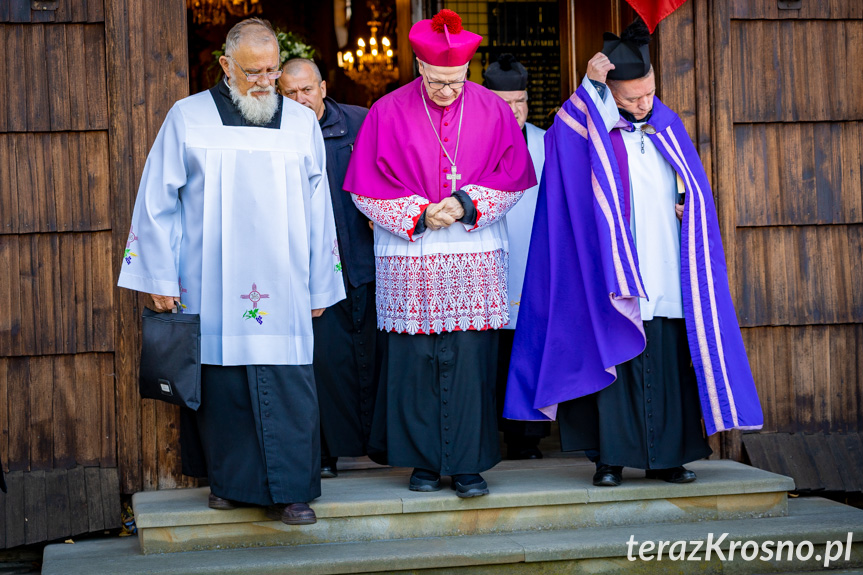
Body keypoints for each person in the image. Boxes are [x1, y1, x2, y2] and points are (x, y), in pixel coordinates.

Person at [504, 18, 762, 487]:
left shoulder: (667, 123)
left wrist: (689, 202)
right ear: (612, 94)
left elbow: (693, 186)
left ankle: (668, 457)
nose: (644, 105)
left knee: (666, 357)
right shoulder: (591, 124)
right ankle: (610, 460)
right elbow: (566, 144)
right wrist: (590, 87)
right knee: (615, 356)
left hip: (663, 265)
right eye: (631, 99)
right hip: (616, 270)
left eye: (649, 94)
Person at [117, 18, 345, 524]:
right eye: (252, 72)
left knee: (290, 387)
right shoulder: (188, 117)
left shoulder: (301, 123)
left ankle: (293, 492)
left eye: (271, 70)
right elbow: (157, 200)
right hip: (210, 282)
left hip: (284, 285)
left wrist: (321, 280)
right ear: (225, 66)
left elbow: (319, 207)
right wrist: (157, 278)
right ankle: (230, 485)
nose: (265, 81)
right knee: (222, 387)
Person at [343, 9, 536, 498]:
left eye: (455, 81)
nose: (447, 91)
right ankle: (423, 465)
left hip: (473, 254)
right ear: (420, 68)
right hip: (411, 261)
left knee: (470, 363)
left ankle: (468, 465)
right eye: (438, 81)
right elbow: (364, 189)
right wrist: (419, 214)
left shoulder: (492, 108)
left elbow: (513, 179)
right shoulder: (387, 110)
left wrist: (467, 202)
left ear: (466, 71)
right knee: (415, 363)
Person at [278, 58, 378, 479]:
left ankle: (381, 445)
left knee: (375, 359)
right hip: (313, 271)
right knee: (324, 363)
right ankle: (325, 454)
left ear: (323, 87)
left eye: (307, 90)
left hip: (367, 262)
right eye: (291, 93)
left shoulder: (360, 122)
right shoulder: (274, 133)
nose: (301, 100)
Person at [482, 54, 550, 460]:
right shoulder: (469, 147)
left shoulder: (546, 143)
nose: (515, 111)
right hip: (488, 266)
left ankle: (526, 438)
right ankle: (487, 432)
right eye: (505, 103)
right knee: (490, 355)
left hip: (532, 263)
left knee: (529, 351)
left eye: (521, 101)